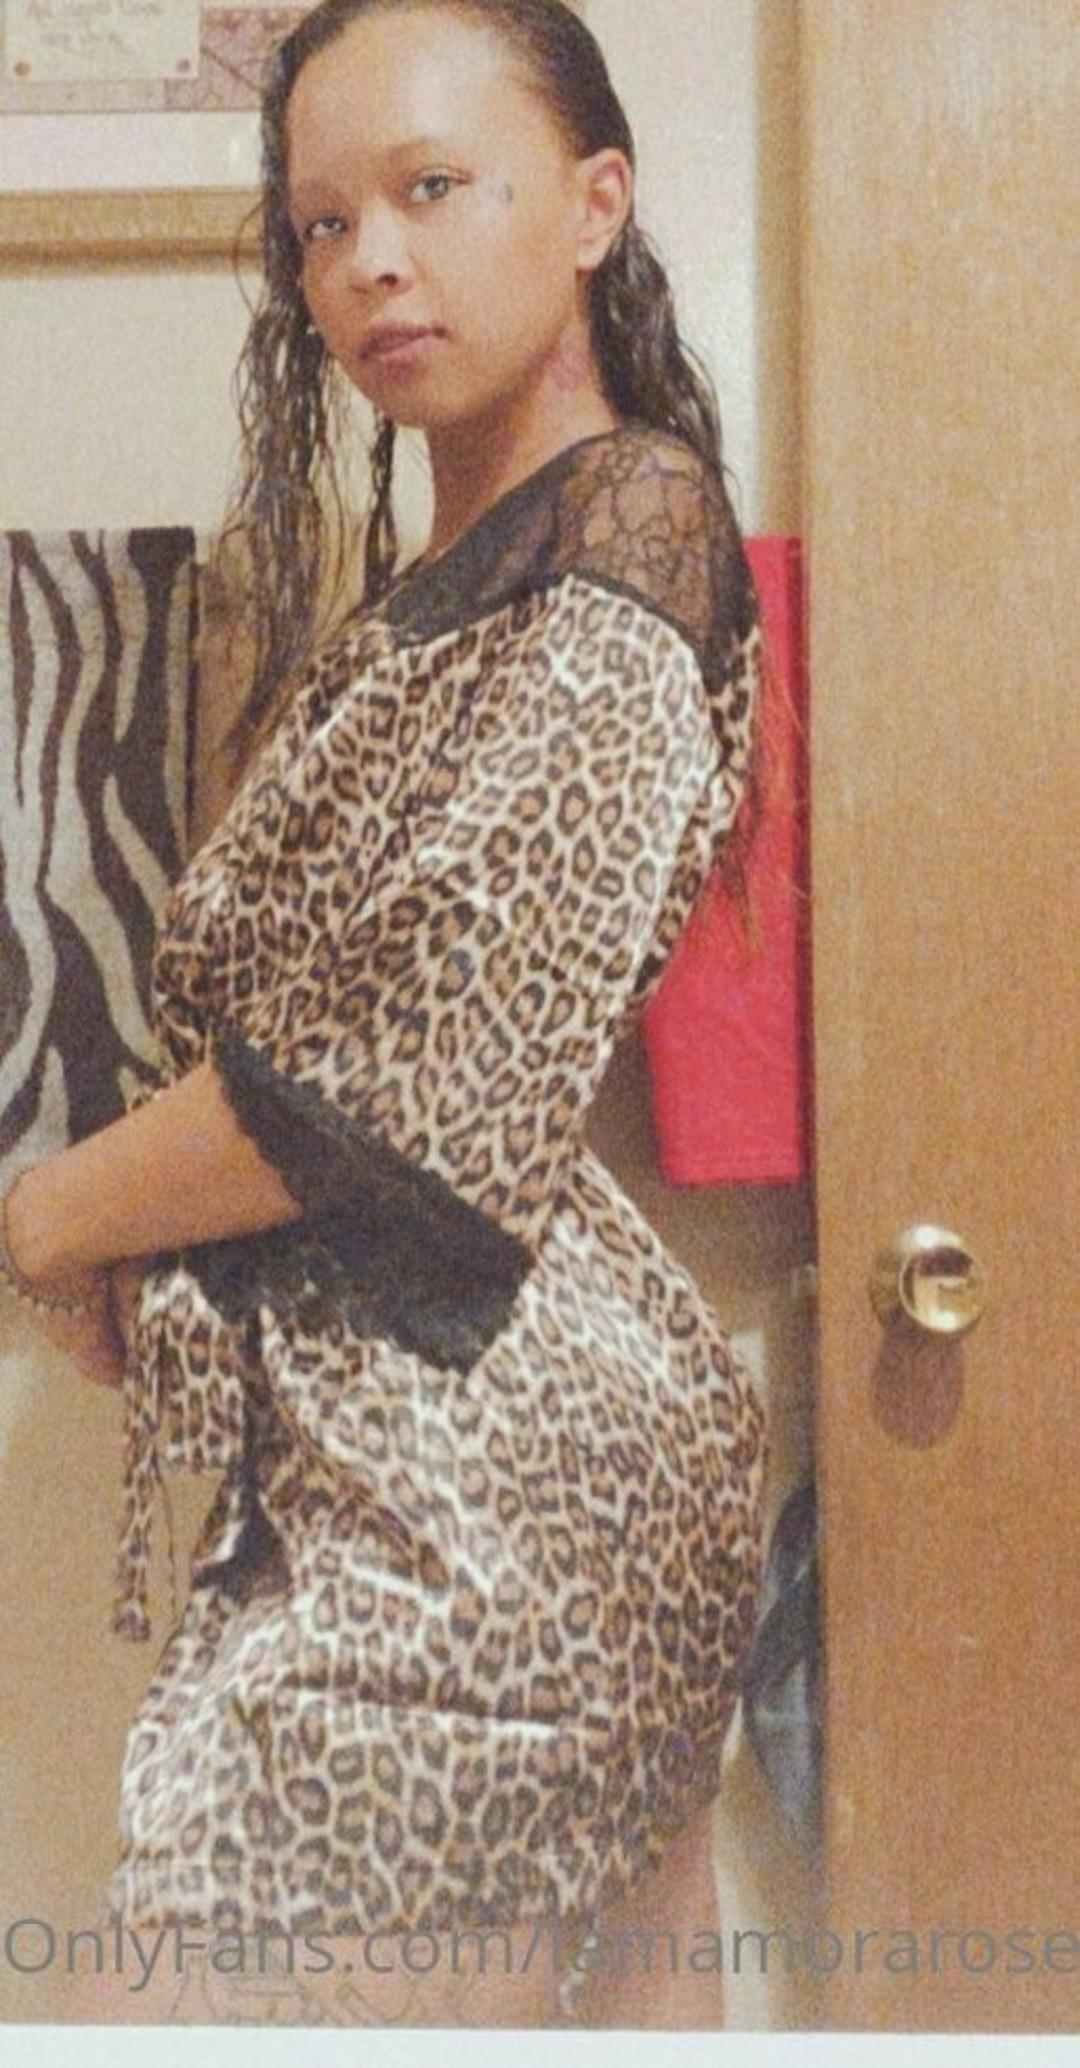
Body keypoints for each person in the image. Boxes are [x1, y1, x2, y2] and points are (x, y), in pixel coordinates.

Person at [0, 0, 769, 2030]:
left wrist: (58, 1212)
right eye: (323, 222)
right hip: (442, 1481)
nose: (371, 264)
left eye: (432, 188)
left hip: (493, 1509)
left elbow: (406, 1085)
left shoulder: (624, 538)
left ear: (596, 202)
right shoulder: (469, 576)